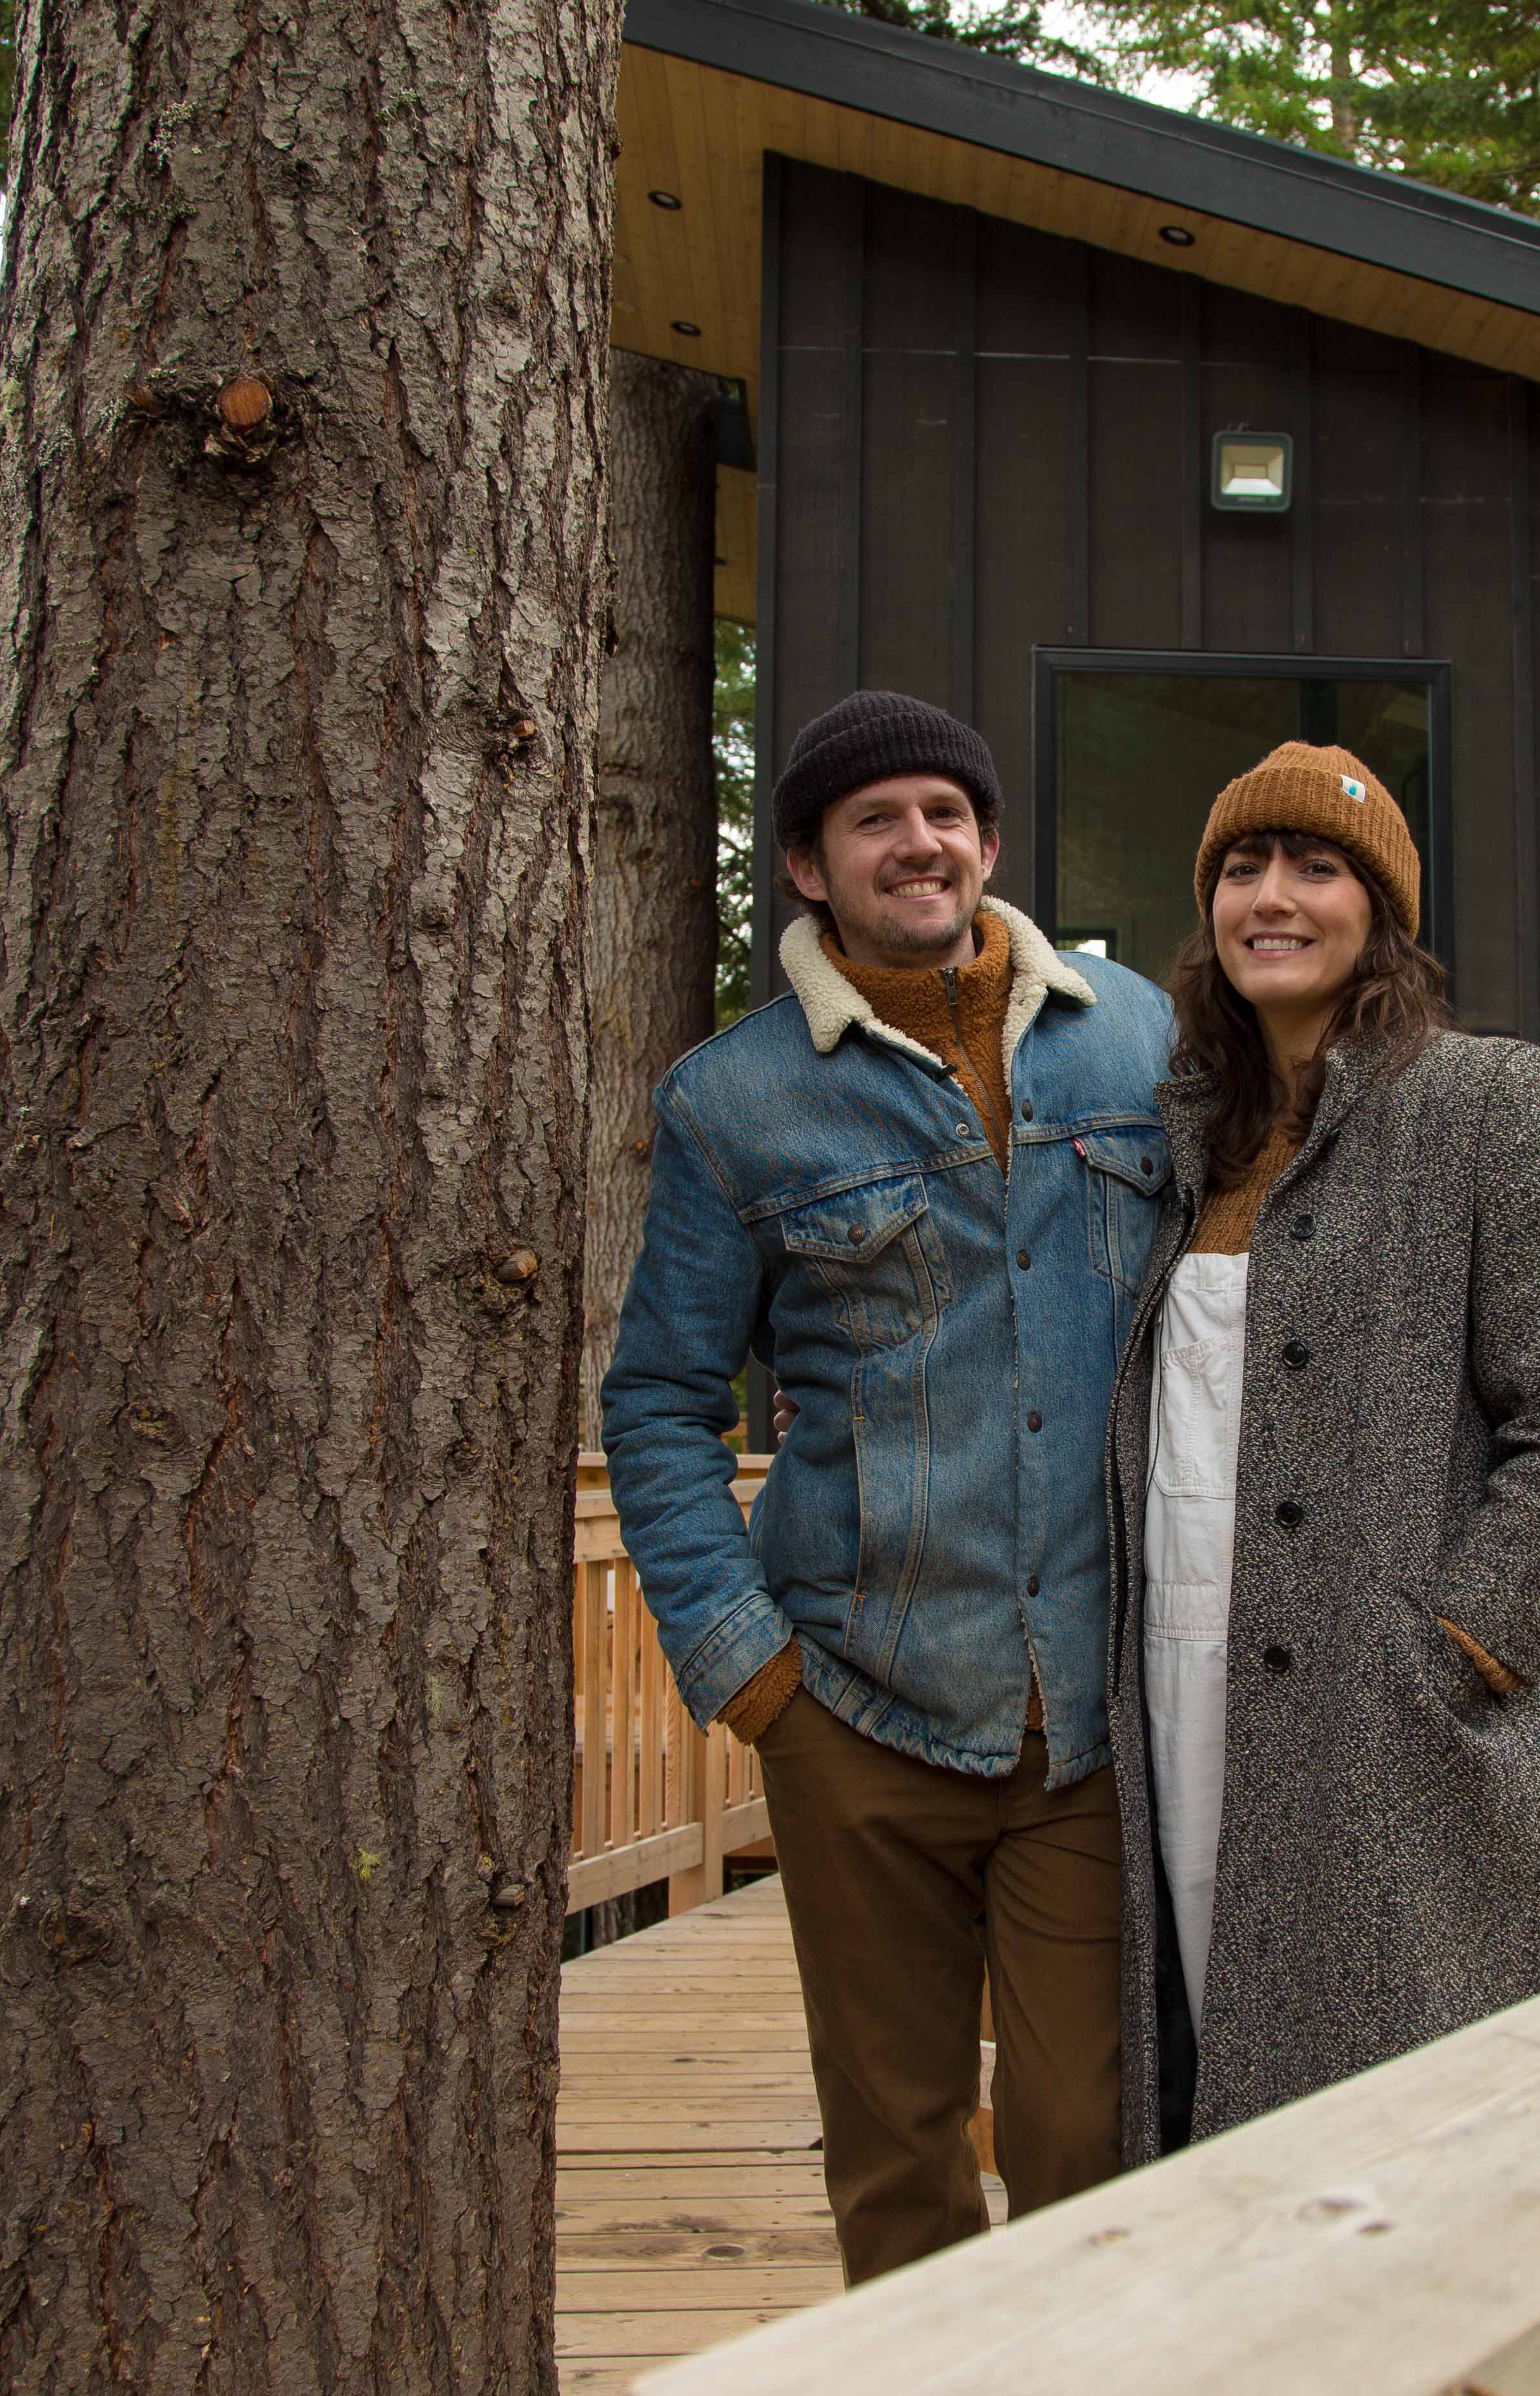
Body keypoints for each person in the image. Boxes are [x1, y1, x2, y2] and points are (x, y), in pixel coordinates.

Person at [598, 690, 1176, 2282]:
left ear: (987, 841)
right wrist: (749, 1669)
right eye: (874, 819)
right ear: (806, 865)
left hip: (1088, 1717)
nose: (917, 841)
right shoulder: (736, 1100)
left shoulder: (1138, 1037)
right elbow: (657, 1399)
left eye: (945, 811)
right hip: (854, 1712)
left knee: (1089, 2142)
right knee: (897, 2155)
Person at [1105, 740, 1540, 2161]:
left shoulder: (1490, 1101)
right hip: (1171, 1687)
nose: (1271, 897)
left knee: (1405, 2138)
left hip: (1385, 1733)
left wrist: (1457, 1646)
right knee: (1194, 2090)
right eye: (1241, 868)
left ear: (1381, 912)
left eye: (1315, 866)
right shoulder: (1181, 1136)